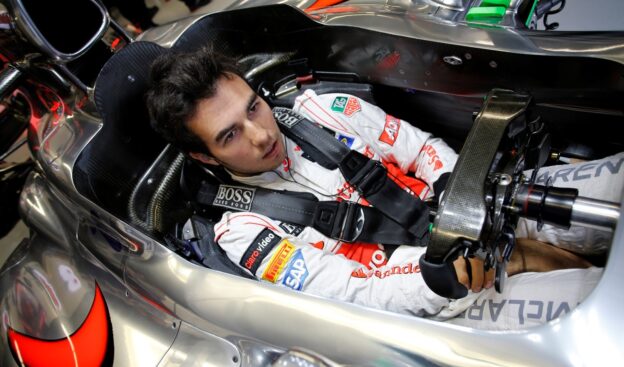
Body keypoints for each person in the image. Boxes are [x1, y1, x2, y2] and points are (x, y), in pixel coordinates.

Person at [145, 47, 620, 330]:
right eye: (230, 135)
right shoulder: (245, 231)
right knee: (598, 305)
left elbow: (420, 150)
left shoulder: (324, 109)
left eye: (253, 108)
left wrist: (462, 194)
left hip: (490, 203)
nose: (261, 134)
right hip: (453, 293)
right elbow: (352, 295)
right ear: (204, 156)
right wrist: (439, 277)